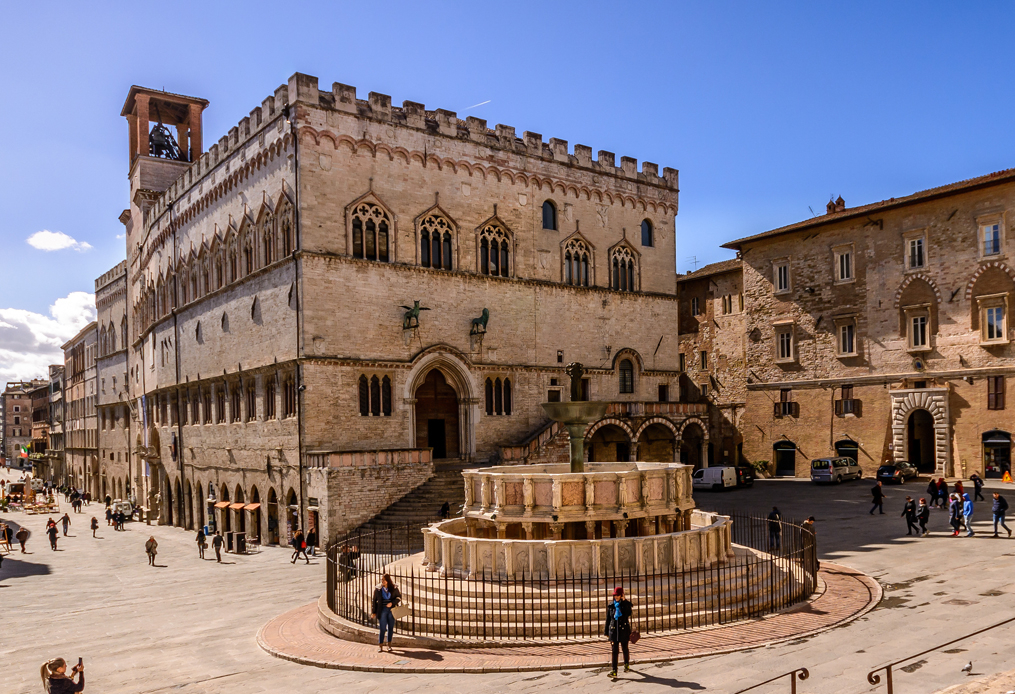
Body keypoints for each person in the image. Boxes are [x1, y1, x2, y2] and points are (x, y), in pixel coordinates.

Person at [604, 585, 633, 677]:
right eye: (615, 595)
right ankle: (614, 670)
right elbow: (608, 619)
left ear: (621, 595)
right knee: (614, 651)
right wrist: (606, 632)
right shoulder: (611, 605)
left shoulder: (625, 604)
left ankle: (626, 663)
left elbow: (629, 613)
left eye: (617, 595)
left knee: (625, 648)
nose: (616, 597)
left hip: (624, 630)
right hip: (614, 631)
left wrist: (624, 602)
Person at [370, 573, 402, 653]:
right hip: (382, 610)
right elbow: (374, 601)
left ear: (388, 580)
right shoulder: (378, 589)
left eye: (384, 580)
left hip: (391, 610)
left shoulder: (394, 588)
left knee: (390, 628)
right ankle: (380, 645)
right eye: (382, 580)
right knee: (382, 628)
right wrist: (374, 612)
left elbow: (399, 597)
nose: (383, 581)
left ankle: (389, 645)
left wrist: (392, 603)